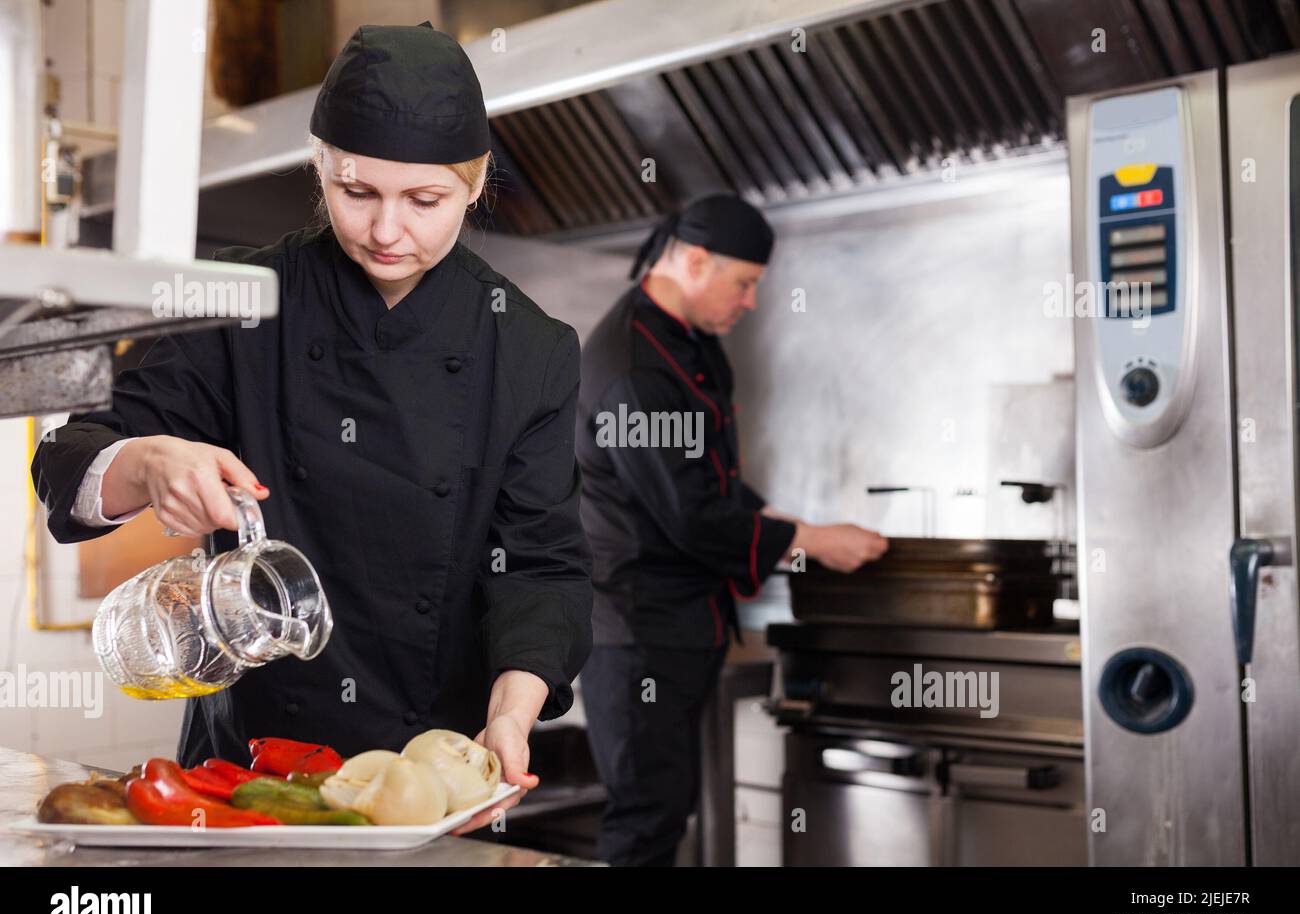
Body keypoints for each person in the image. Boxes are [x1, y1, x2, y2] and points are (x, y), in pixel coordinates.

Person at [30, 22, 592, 833]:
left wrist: (511, 715)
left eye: (425, 201)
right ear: (320, 168)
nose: (387, 231)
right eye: (355, 192)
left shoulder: (530, 347)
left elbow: (543, 565)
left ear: (475, 185)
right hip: (243, 776)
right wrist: (149, 461)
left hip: (427, 780)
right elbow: (65, 461)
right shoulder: (236, 302)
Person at [576, 194, 889, 865]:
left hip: (680, 628)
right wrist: (809, 540)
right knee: (645, 823)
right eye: (744, 283)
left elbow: (708, 476)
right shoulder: (634, 368)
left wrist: (785, 521)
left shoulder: (691, 345)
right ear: (694, 262)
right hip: (638, 636)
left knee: (667, 811)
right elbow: (688, 512)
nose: (749, 302)